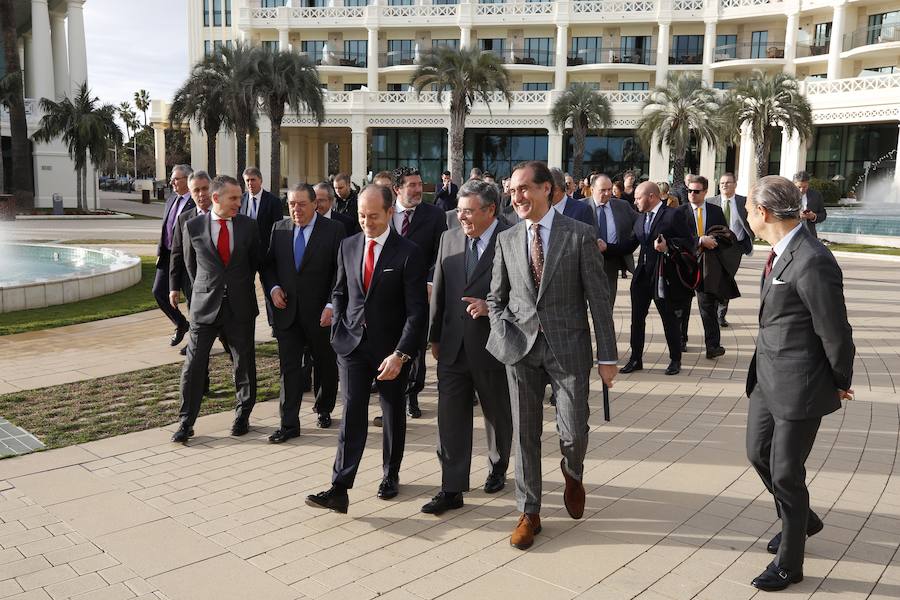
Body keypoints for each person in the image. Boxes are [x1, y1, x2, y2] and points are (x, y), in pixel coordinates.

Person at [486, 161, 618, 550]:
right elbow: (496, 297)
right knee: (525, 434)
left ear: (548, 189)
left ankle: (572, 470)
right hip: (520, 349)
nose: (518, 196)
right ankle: (529, 512)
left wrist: (607, 357)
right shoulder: (507, 239)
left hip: (569, 348)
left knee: (574, 430)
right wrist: (502, 333)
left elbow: (599, 301)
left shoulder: (578, 235)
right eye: (513, 191)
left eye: (525, 188)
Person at [744, 175, 854, 592]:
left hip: (800, 385)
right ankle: (804, 520)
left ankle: (790, 562)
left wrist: (839, 380)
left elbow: (836, 330)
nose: (747, 216)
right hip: (767, 379)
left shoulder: (813, 259)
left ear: (764, 213)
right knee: (757, 453)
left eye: (750, 209)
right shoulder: (777, 252)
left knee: (787, 474)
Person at [305, 185, 428, 513]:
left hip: (391, 351)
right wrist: (338, 320)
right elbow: (341, 290)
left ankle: (391, 474)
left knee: (391, 412)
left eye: (374, 216)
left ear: (390, 213)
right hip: (352, 346)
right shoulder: (348, 245)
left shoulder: (408, 253)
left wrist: (401, 355)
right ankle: (339, 487)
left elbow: (417, 311)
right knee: (352, 412)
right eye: (361, 215)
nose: (367, 222)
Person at [423, 179, 513, 516]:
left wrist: (492, 307)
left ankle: (498, 464)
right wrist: (433, 337)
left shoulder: (511, 238)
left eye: (469, 212)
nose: (462, 218)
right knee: (449, 418)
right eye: (459, 211)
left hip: (493, 346)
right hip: (451, 346)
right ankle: (451, 487)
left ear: (490, 210)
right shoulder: (449, 238)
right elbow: (441, 292)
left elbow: (524, 292)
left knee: (497, 414)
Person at [170, 176, 261, 443]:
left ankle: (243, 415)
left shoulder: (249, 226)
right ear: (216, 198)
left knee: (244, 364)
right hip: (204, 308)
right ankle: (186, 422)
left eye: (241, 197)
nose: (239, 203)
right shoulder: (193, 225)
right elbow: (191, 266)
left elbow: (255, 262)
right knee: (193, 366)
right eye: (234, 198)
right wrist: (208, 289)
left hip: (240, 307)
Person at [263, 183, 345, 440]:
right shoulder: (280, 229)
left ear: (314, 204)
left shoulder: (333, 230)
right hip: (288, 314)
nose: (295, 209)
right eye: (291, 204)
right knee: (289, 368)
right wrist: (274, 287)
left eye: (301, 204)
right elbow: (268, 266)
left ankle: (324, 407)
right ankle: (289, 424)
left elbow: (340, 272)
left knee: (325, 364)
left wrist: (332, 305)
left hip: (321, 314)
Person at [620, 181, 696, 376]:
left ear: (651, 197)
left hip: (664, 276)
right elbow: (629, 245)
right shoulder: (640, 218)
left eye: (638, 198)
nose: (635, 202)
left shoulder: (673, 214)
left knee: (669, 319)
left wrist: (668, 245)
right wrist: (604, 248)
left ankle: (675, 359)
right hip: (642, 277)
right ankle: (635, 359)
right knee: (637, 320)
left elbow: (689, 242)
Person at [390, 166, 447, 419]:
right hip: (389, 293)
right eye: (411, 185)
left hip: (420, 294)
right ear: (397, 189)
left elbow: (440, 252)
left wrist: (430, 282)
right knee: (390, 345)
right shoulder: (386, 213)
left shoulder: (435, 215)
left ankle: (412, 396)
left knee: (413, 348)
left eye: (419, 184)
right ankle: (391, 399)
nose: (417, 190)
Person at [168, 171, 229, 359]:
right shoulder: (184, 219)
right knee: (199, 339)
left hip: (224, 290)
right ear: (191, 192)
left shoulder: (226, 214)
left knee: (228, 334)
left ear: (212, 190)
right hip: (195, 287)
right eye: (197, 190)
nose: (201, 194)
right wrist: (174, 288)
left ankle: (230, 348)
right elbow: (177, 253)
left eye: (205, 189)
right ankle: (201, 383)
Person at [677, 175, 727, 358]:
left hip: (707, 266)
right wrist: (699, 240)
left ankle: (713, 346)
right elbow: (676, 237)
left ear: (705, 192)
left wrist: (714, 241)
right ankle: (681, 341)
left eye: (696, 191)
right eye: (689, 191)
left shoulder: (715, 211)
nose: (692, 194)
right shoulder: (680, 212)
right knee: (682, 305)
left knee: (708, 306)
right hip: (684, 266)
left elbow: (724, 233)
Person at [154, 165, 195, 350]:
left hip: (187, 259)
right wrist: (160, 252)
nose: (172, 182)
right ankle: (180, 323)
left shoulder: (195, 202)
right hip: (168, 255)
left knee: (191, 299)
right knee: (159, 292)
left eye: (176, 178)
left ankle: (196, 341)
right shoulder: (171, 200)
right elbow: (165, 228)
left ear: (187, 179)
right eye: (172, 178)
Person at [707, 172, 753, 327]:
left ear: (735, 184)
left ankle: (721, 313)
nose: (724, 185)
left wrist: (750, 239)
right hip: (714, 247)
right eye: (721, 183)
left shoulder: (743, 202)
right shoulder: (711, 202)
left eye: (727, 182)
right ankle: (712, 312)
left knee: (727, 279)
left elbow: (752, 221)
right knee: (713, 278)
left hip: (734, 248)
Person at [586, 174, 638, 307]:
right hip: (586, 262)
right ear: (592, 190)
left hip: (611, 263)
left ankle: (605, 327)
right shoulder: (581, 207)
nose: (608, 193)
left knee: (607, 306)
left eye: (609, 189)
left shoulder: (622, 206)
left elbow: (640, 223)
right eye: (603, 190)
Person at [792, 171, 827, 238]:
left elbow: (823, 215)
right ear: (794, 184)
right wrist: (797, 215)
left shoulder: (816, 195)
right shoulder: (787, 195)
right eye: (799, 187)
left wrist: (813, 216)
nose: (801, 190)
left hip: (810, 235)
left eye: (805, 187)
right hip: (791, 233)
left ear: (808, 184)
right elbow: (781, 213)